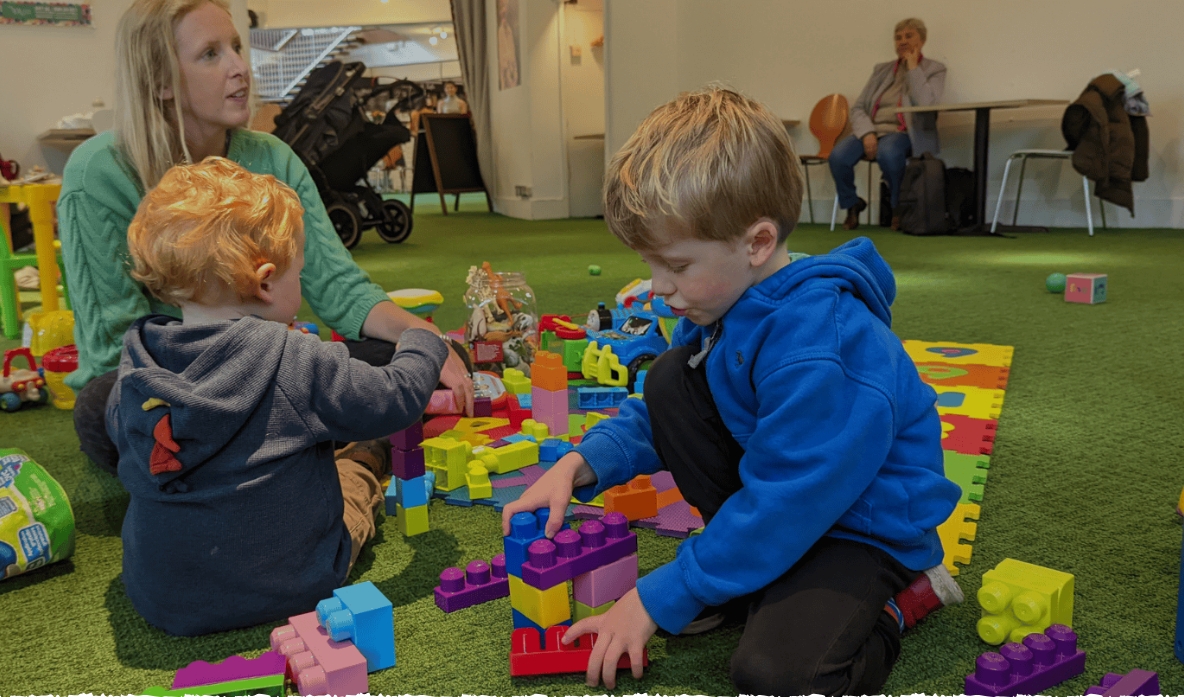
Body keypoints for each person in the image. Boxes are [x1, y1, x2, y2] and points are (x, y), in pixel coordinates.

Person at [502, 86, 963, 694]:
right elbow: (666, 413)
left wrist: (665, 592)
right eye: (650, 264)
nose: (658, 287)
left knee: (776, 677)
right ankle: (744, 572)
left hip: (860, 528)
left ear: (758, 243)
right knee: (672, 377)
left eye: (677, 266)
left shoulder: (820, 347)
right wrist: (581, 463)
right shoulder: (719, 304)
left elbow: (790, 500)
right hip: (783, 500)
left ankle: (901, 603)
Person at [58, 0, 473, 478]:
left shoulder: (273, 157)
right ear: (160, 81)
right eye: (211, 54)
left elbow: (340, 287)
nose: (239, 67)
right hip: (174, 383)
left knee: (427, 356)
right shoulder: (98, 173)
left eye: (236, 47)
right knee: (100, 406)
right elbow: (115, 348)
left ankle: (254, 456)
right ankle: (330, 446)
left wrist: (425, 339)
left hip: (273, 368)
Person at [108, 157, 449, 636]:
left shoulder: (137, 360)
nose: (300, 283)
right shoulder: (292, 357)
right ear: (266, 281)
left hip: (164, 600)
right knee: (352, 474)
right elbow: (395, 398)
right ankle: (365, 459)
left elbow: (122, 436)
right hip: (291, 584)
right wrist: (422, 340)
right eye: (299, 274)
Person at [829, 18, 946, 230]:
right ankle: (852, 203)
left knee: (889, 153)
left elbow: (927, 105)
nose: (903, 41)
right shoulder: (881, 71)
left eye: (909, 36)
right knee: (838, 157)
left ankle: (897, 207)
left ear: (922, 40)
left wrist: (913, 68)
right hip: (872, 130)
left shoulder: (935, 69)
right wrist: (867, 133)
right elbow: (859, 107)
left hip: (903, 132)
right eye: (898, 37)